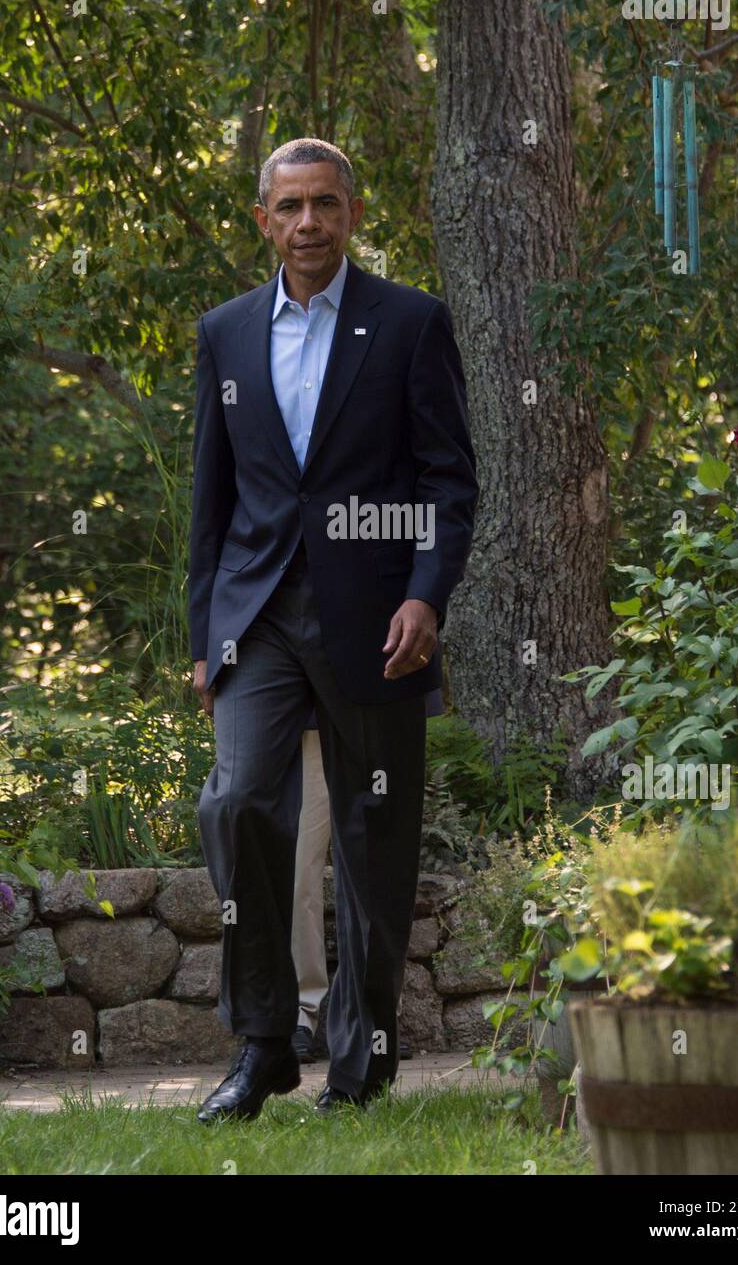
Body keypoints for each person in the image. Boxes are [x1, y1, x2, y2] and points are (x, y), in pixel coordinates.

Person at [189, 137, 477, 1122]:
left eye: (326, 204)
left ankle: (362, 1062)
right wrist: (204, 632)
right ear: (263, 219)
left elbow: (448, 481)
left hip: (378, 615)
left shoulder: (409, 323)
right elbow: (211, 500)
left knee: (373, 837)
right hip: (258, 613)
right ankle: (267, 1041)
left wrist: (427, 596)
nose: (308, 222)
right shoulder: (225, 334)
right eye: (290, 206)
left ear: (352, 213)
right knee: (235, 803)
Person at [291, 689, 444, 1065]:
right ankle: (296, 1014)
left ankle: (375, 1017)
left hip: (380, 689)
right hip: (301, 704)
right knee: (296, 871)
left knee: (377, 867)